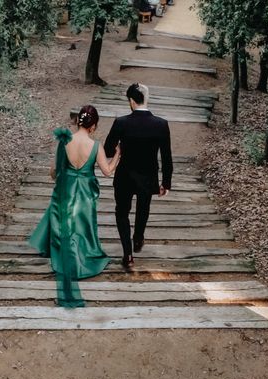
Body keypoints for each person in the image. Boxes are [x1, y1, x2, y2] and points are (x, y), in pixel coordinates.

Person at [28, 106, 121, 307]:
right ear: (94, 125)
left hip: (67, 190)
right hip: (85, 193)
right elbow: (107, 171)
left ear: (79, 121)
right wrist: (118, 155)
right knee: (82, 226)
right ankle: (83, 258)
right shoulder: (96, 146)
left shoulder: (65, 141)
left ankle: (63, 253)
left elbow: (53, 173)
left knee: (65, 223)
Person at [103, 83, 173, 268]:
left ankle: (127, 255)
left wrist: (118, 149)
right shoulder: (161, 124)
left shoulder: (121, 122)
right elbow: (166, 156)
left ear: (132, 101)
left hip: (124, 175)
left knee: (122, 212)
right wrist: (166, 182)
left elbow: (107, 150)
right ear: (146, 99)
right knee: (143, 209)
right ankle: (139, 237)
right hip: (148, 176)